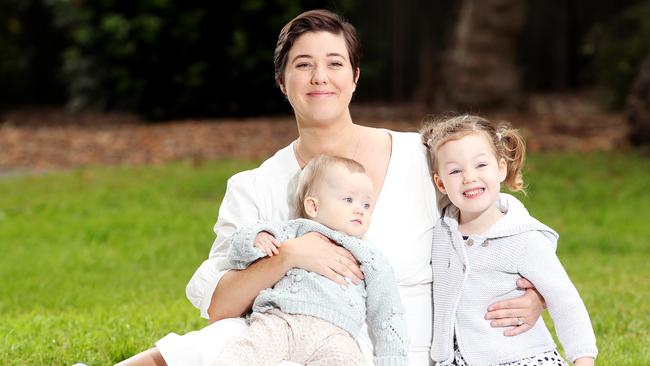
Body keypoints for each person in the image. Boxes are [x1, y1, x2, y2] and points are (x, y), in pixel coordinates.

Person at [118, 9, 546, 366]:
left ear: (355, 77)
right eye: (303, 65)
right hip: (296, 341)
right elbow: (219, 306)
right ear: (283, 83)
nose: (319, 76)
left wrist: (538, 293)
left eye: (334, 63)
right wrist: (288, 256)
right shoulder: (255, 186)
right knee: (221, 342)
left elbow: (502, 222)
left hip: (405, 347)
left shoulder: (420, 157)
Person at [420, 115, 598, 366]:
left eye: (481, 165)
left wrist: (583, 360)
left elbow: (565, 301)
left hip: (521, 357)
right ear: (440, 183)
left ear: (501, 169)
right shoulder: (439, 233)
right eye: (456, 171)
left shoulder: (523, 238)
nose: (469, 177)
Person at [215, 154, 408, 365]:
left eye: (366, 205)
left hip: (335, 333)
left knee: (349, 360)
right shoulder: (294, 231)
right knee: (243, 353)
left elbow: (388, 311)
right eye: (348, 200)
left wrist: (393, 359)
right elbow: (237, 252)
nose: (359, 210)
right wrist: (257, 237)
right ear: (313, 207)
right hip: (280, 320)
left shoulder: (369, 255)